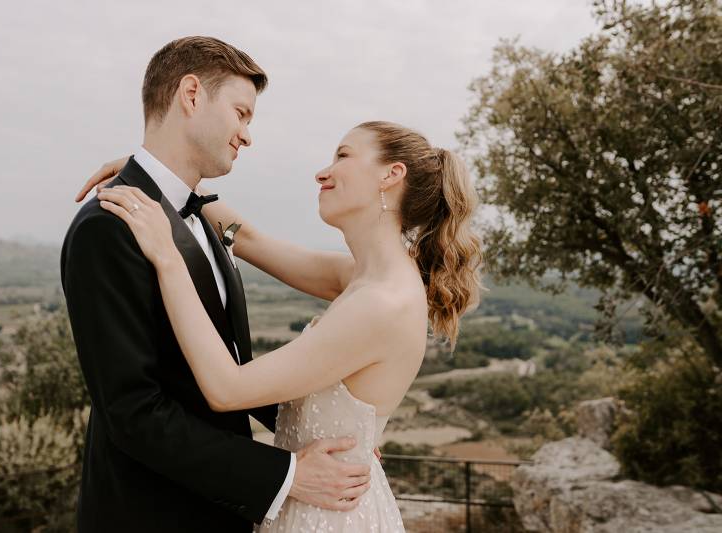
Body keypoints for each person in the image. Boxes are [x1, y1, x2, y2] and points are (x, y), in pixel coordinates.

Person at [79, 118, 485, 531]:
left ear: (391, 174)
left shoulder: (381, 302)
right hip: (315, 499)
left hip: (329, 513)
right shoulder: (364, 276)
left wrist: (167, 256)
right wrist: (157, 177)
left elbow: (227, 388)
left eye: (343, 156)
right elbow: (248, 239)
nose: (322, 172)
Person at [61, 36, 375, 533]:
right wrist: (286, 474)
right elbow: (133, 413)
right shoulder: (109, 226)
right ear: (191, 95)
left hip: (217, 512)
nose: (246, 136)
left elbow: (227, 363)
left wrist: (333, 425)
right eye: (241, 113)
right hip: (151, 516)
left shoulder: (201, 216)